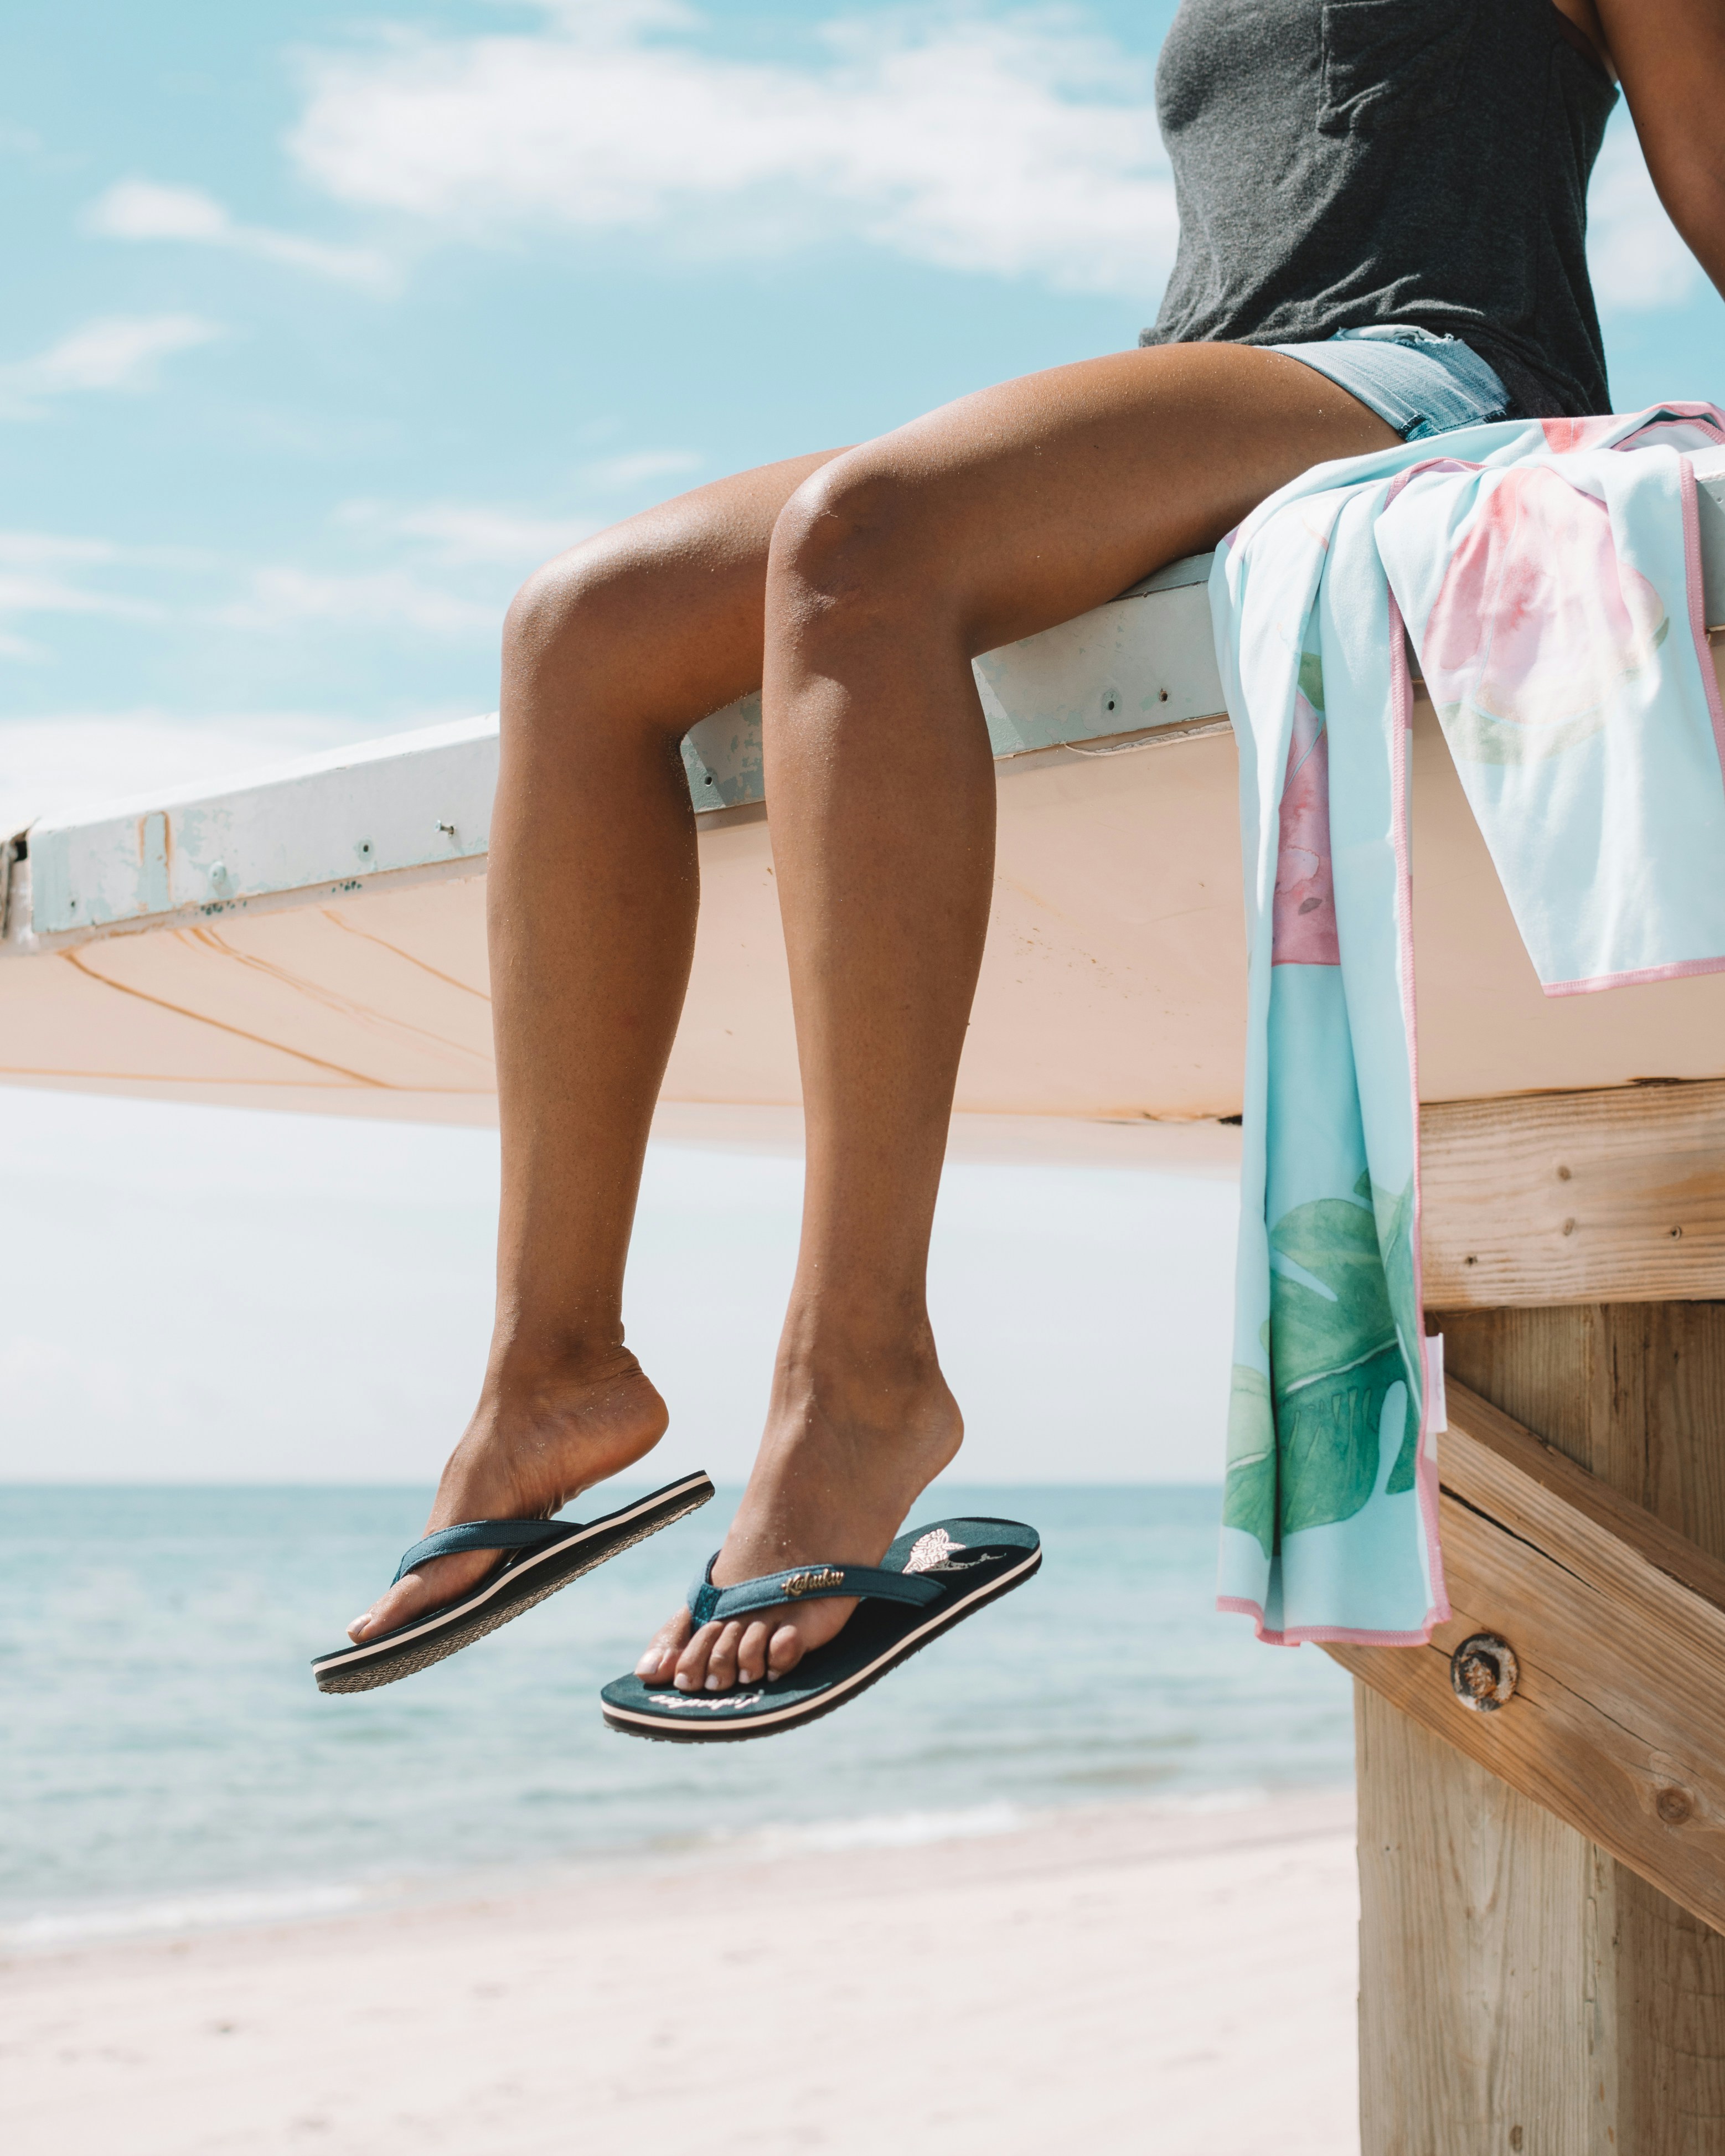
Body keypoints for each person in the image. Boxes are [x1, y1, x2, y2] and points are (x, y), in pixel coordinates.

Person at [340, 0, 1724, 1707]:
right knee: (579, 629)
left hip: (1428, 375)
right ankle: (551, 1370)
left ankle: (857, 1377)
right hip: (1210, 374)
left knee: (869, 538)